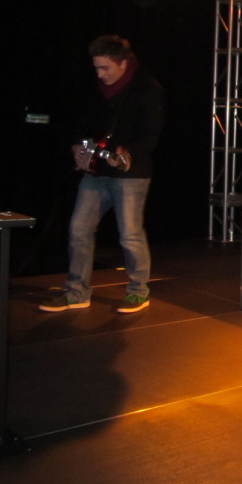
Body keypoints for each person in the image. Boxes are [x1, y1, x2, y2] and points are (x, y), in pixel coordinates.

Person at [39, 35, 165, 314]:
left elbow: (150, 135)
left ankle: (138, 291)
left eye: (105, 68)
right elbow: (81, 123)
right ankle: (77, 292)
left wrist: (127, 154)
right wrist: (77, 147)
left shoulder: (147, 89)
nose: (99, 74)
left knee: (129, 234)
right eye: (96, 68)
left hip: (131, 176)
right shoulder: (96, 89)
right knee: (79, 230)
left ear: (123, 63)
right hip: (96, 173)